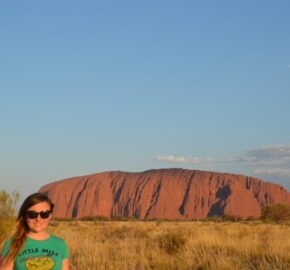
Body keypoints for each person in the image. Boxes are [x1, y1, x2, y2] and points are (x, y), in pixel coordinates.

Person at [0, 192, 69, 270]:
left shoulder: (60, 244)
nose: (38, 219)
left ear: (50, 215)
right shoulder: (12, 244)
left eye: (44, 214)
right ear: (25, 216)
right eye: (32, 214)